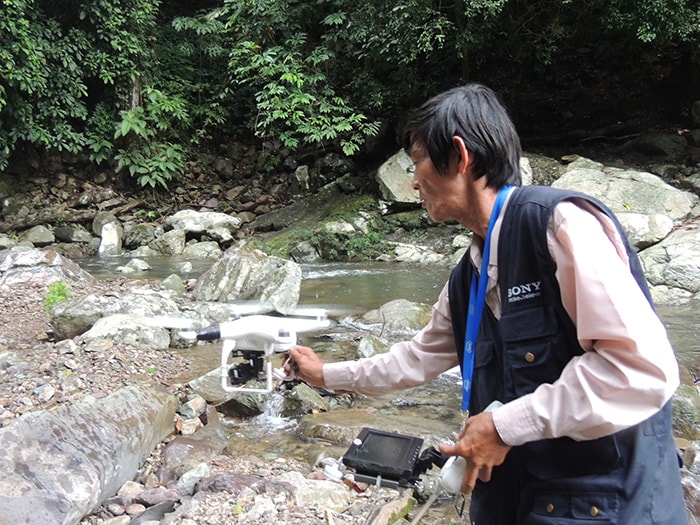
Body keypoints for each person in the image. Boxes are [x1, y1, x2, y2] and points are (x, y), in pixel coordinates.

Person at [287, 83, 688, 524]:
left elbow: (640, 369)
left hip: (611, 502)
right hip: (525, 500)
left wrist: (502, 426)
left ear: (460, 156)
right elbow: (417, 358)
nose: (414, 180)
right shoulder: (470, 273)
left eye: (416, 162)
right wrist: (325, 374)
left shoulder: (559, 225)